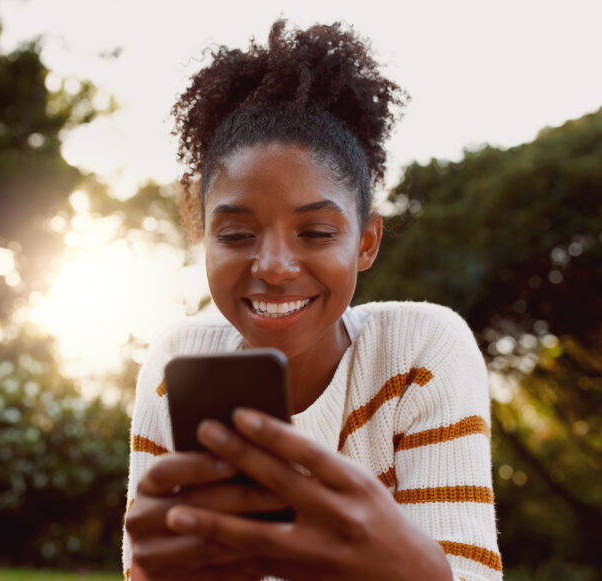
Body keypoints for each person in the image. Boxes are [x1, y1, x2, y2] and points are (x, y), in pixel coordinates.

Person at [123, 19, 501, 581]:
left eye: (317, 234)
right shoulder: (176, 365)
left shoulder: (421, 353)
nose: (274, 267)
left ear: (366, 242)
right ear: (202, 236)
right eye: (234, 235)